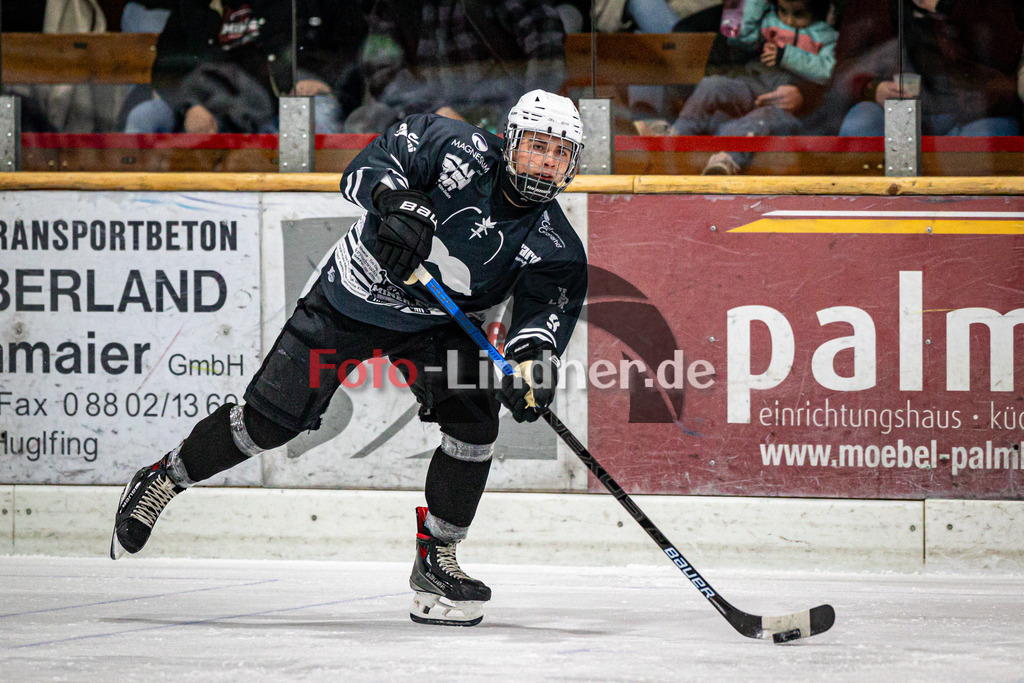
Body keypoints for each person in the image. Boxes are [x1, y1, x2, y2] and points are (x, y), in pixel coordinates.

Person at [109, 90, 588, 628]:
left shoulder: (556, 246)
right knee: (267, 424)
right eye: (538, 146)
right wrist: (395, 204)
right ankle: (163, 478)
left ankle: (436, 562)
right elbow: (366, 170)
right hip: (350, 299)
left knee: (475, 426)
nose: (547, 161)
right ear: (511, 142)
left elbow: (541, 319)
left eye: (560, 153)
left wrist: (533, 367)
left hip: (439, 325)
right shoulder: (448, 144)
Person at [637, 0, 837, 175]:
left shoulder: (827, 37)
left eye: (799, 14)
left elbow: (827, 70)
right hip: (752, 86)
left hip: (783, 107)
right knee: (712, 85)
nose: (789, 21)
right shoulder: (769, 22)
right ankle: (678, 133)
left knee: (762, 119)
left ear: (817, 12)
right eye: (783, 11)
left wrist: (786, 56)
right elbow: (741, 35)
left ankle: (727, 159)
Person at [123, 0, 365, 134]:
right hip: (215, 103)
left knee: (315, 115)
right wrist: (190, 107)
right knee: (144, 116)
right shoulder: (195, 5)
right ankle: (133, 208)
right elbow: (166, 65)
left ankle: (318, 208)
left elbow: (349, 42)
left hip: (285, 100)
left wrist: (321, 79)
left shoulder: (285, 6)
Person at [343, 0, 566, 134]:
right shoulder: (392, 4)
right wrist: (433, 113)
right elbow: (380, 69)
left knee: (526, 133)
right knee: (362, 122)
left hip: (498, 113)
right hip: (424, 114)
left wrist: (524, 110)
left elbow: (546, 44)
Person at [828, 0, 1022, 138]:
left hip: (972, 113)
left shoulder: (980, 5)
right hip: (896, 112)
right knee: (861, 122)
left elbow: (1005, 57)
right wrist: (872, 89)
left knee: (991, 137)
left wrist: (947, 8)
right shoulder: (870, 6)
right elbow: (844, 70)